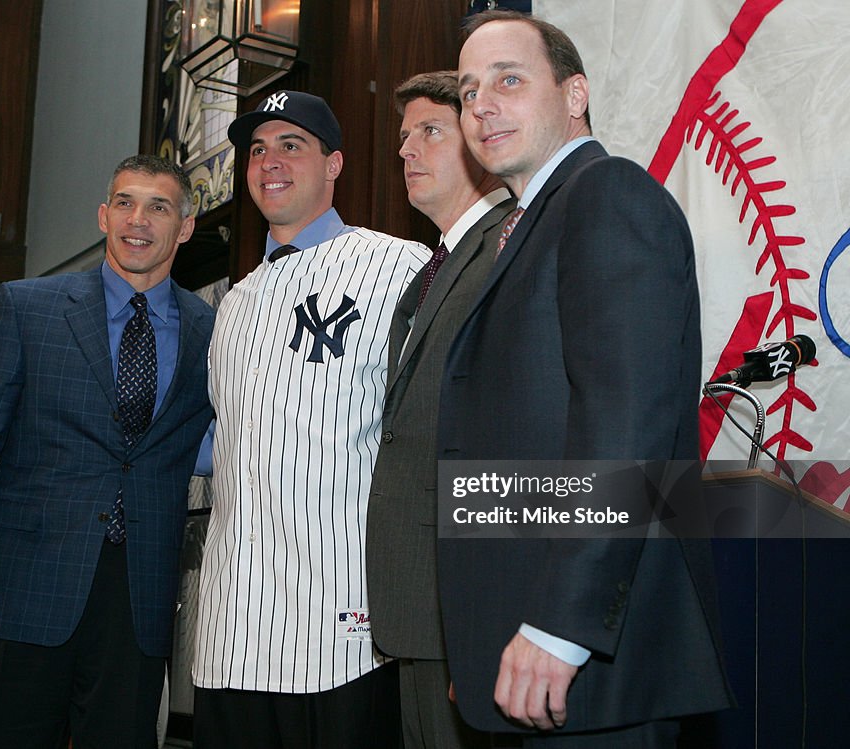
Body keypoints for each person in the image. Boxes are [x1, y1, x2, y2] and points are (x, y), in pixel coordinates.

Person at [436, 10, 733, 747]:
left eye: (509, 79)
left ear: (575, 95)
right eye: (469, 92)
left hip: (589, 672)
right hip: (524, 663)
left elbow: (623, 428)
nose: (482, 106)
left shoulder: (606, 195)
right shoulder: (529, 225)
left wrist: (559, 626)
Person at [0, 154, 214, 748]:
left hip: (140, 592)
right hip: (25, 582)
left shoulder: (212, 329)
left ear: (184, 227)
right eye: (126, 203)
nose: (140, 219)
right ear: (104, 215)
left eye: (159, 207)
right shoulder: (26, 307)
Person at [192, 90, 429, 748]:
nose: (270, 160)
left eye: (291, 145)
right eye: (258, 149)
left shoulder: (398, 265)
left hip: (343, 629)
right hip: (232, 626)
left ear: (334, 165)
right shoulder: (233, 303)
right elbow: (227, 442)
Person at [365, 70, 514, 749]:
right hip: (420, 603)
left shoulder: (504, 253)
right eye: (403, 138)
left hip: (463, 606)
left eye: (430, 131)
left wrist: (483, 619)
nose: (406, 151)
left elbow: (506, 438)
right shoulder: (440, 266)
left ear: (480, 143)